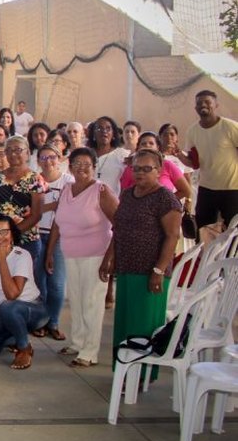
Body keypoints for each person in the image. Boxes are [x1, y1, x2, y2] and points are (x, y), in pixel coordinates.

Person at [101, 149, 182, 376]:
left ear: (159, 170)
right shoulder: (127, 194)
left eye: (147, 169)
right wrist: (110, 257)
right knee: (125, 324)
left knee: (143, 326)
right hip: (127, 270)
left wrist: (158, 270)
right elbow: (119, 229)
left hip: (150, 273)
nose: (140, 173)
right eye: (136, 168)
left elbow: (172, 236)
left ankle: (142, 375)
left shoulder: (166, 198)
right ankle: (124, 372)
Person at [46, 147, 118, 368]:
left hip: (95, 255)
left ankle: (90, 351)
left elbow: (120, 225)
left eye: (87, 164)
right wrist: (49, 251)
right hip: (71, 253)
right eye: (77, 164)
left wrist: (109, 258)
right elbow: (58, 223)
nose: (82, 168)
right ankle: (77, 343)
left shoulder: (102, 191)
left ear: (94, 168)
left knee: (92, 302)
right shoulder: (67, 189)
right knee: (76, 300)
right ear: (70, 167)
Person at [0, 215, 48, 369]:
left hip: (33, 310)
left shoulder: (22, 256)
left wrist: (2, 261)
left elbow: (12, 294)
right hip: (3, 311)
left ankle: (24, 348)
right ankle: (12, 337)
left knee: (8, 306)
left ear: (12, 233)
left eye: (4, 232)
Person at [178, 90, 238, 230]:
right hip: (207, 190)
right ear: (195, 107)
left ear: (216, 105)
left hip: (232, 189)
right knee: (203, 230)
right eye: (199, 103)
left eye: (207, 102)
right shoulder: (192, 131)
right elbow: (194, 163)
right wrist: (179, 155)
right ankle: (206, 253)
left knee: (233, 232)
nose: (203, 105)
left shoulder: (230, 127)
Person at [34, 143, 72, 341]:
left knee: (56, 283)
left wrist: (47, 206)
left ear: (59, 159)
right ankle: (40, 321)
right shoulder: (34, 180)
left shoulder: (68, 181)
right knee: (39, 283)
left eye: (52, 157)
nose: (48, 161)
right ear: (38, 161)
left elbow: (69, 209)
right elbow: (33, 210)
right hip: (36, 234)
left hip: (59, 236)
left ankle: (54, 322)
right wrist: (55, 204)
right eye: (43, 158)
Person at [0, 136, 44, 264]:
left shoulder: (35, 179)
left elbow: (36, 214)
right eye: (9, 150)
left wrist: (11, 234)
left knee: (22, 281)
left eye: (18, 150)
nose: (13, 154)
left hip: (26, 240)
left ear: (27, 153)